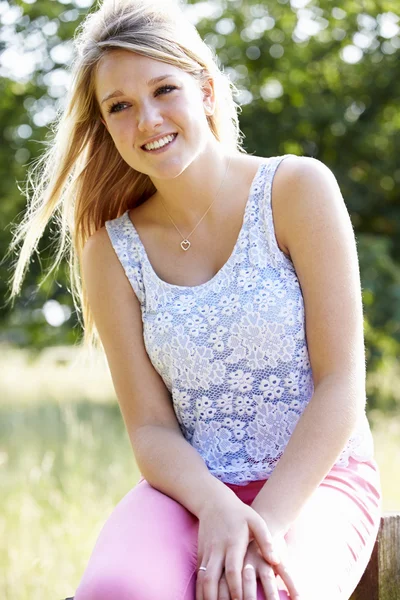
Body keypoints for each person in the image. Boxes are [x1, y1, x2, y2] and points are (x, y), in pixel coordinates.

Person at [7, 0, 382, 598]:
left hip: (318, 482)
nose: (148, 120)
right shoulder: (110, 250)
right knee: (117, 589)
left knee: (265, 592)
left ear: (206, 89)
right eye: (120, 106)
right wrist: (218, 509)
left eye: (164, 89)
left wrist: (266, 528)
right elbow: (151, 430)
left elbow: (341, 383)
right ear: (105, 124)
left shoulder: (297, 189)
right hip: (191, 493)